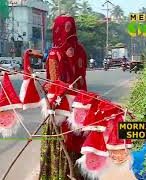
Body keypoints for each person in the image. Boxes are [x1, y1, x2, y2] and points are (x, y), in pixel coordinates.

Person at [40, 15, 87, 180]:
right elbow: (81, 79)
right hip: (81, 107)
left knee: (60, 143)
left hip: (60, 109)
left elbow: (54, 84)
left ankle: (60, 175)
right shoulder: (81, 51)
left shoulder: (54, 53)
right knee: (79, 140)